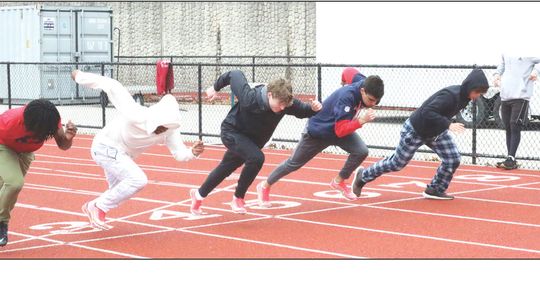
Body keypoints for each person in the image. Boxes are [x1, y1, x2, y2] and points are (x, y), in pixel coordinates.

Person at [72, 70, 204, 230]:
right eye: (160, 125)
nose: (162, 130)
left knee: (119, 191)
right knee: (137, 180)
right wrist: (80, 76)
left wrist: (192, 153)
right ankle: (98, 207)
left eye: (167, 127)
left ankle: (94, 206)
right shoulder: (136, 112)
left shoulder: (171, 130)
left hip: (122, 155)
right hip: (105, 147)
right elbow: (112, 85)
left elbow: (179, 153)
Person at [190, 70, 322, 215]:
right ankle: (238, 198)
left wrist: (313, 109)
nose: (283, 108)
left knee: (225, 168)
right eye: (280, 104)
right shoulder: (250, 98)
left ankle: (197, 196)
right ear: (270, 95)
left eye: (285, 105)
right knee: (257, 158)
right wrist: (215, 87)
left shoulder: (285, 103)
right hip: (232, 132)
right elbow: (234, 74)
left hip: (251, 141)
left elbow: (302, 110)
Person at [352, 68, 489, 200]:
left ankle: (435, 189)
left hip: (435, 132)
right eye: (477, 93)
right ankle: (363, 176)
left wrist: (444, 126)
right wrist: (448, 124)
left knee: (453, 159)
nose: (477, 97)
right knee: (397, 163)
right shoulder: (450, 95)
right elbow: (427, 111)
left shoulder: (465, 97)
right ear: (470, 88)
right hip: (416, 130)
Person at [257, 75, 384, 205]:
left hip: (339, 128)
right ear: (362, 91)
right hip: (318, 132)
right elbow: (340, 130)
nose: (373, 104)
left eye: (377, 101)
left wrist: (343, 78)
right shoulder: (347, 97)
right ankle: (264, 186)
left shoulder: (363, 81)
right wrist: (361, 120)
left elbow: (350, 71)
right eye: (371, 100)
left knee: (361, 151)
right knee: (293, 163)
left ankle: (339, 181)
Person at [0, 99, 78, 246]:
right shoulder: (9, 121)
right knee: (14, 183)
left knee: (6, 191)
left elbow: (63, 144)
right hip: (3, 146)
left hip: (26, 152)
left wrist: (69, 136)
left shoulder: (50, 119)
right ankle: (2, 223)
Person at [493, 55, 540, 169]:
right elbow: (502, 64)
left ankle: (511, 158)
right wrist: (497, 75)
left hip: (521, 96)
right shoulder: (506, 52)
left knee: (515, 125)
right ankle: (510, 158)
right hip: (505, 96)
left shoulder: (529, 53)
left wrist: (535, 72)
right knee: (508, 126)